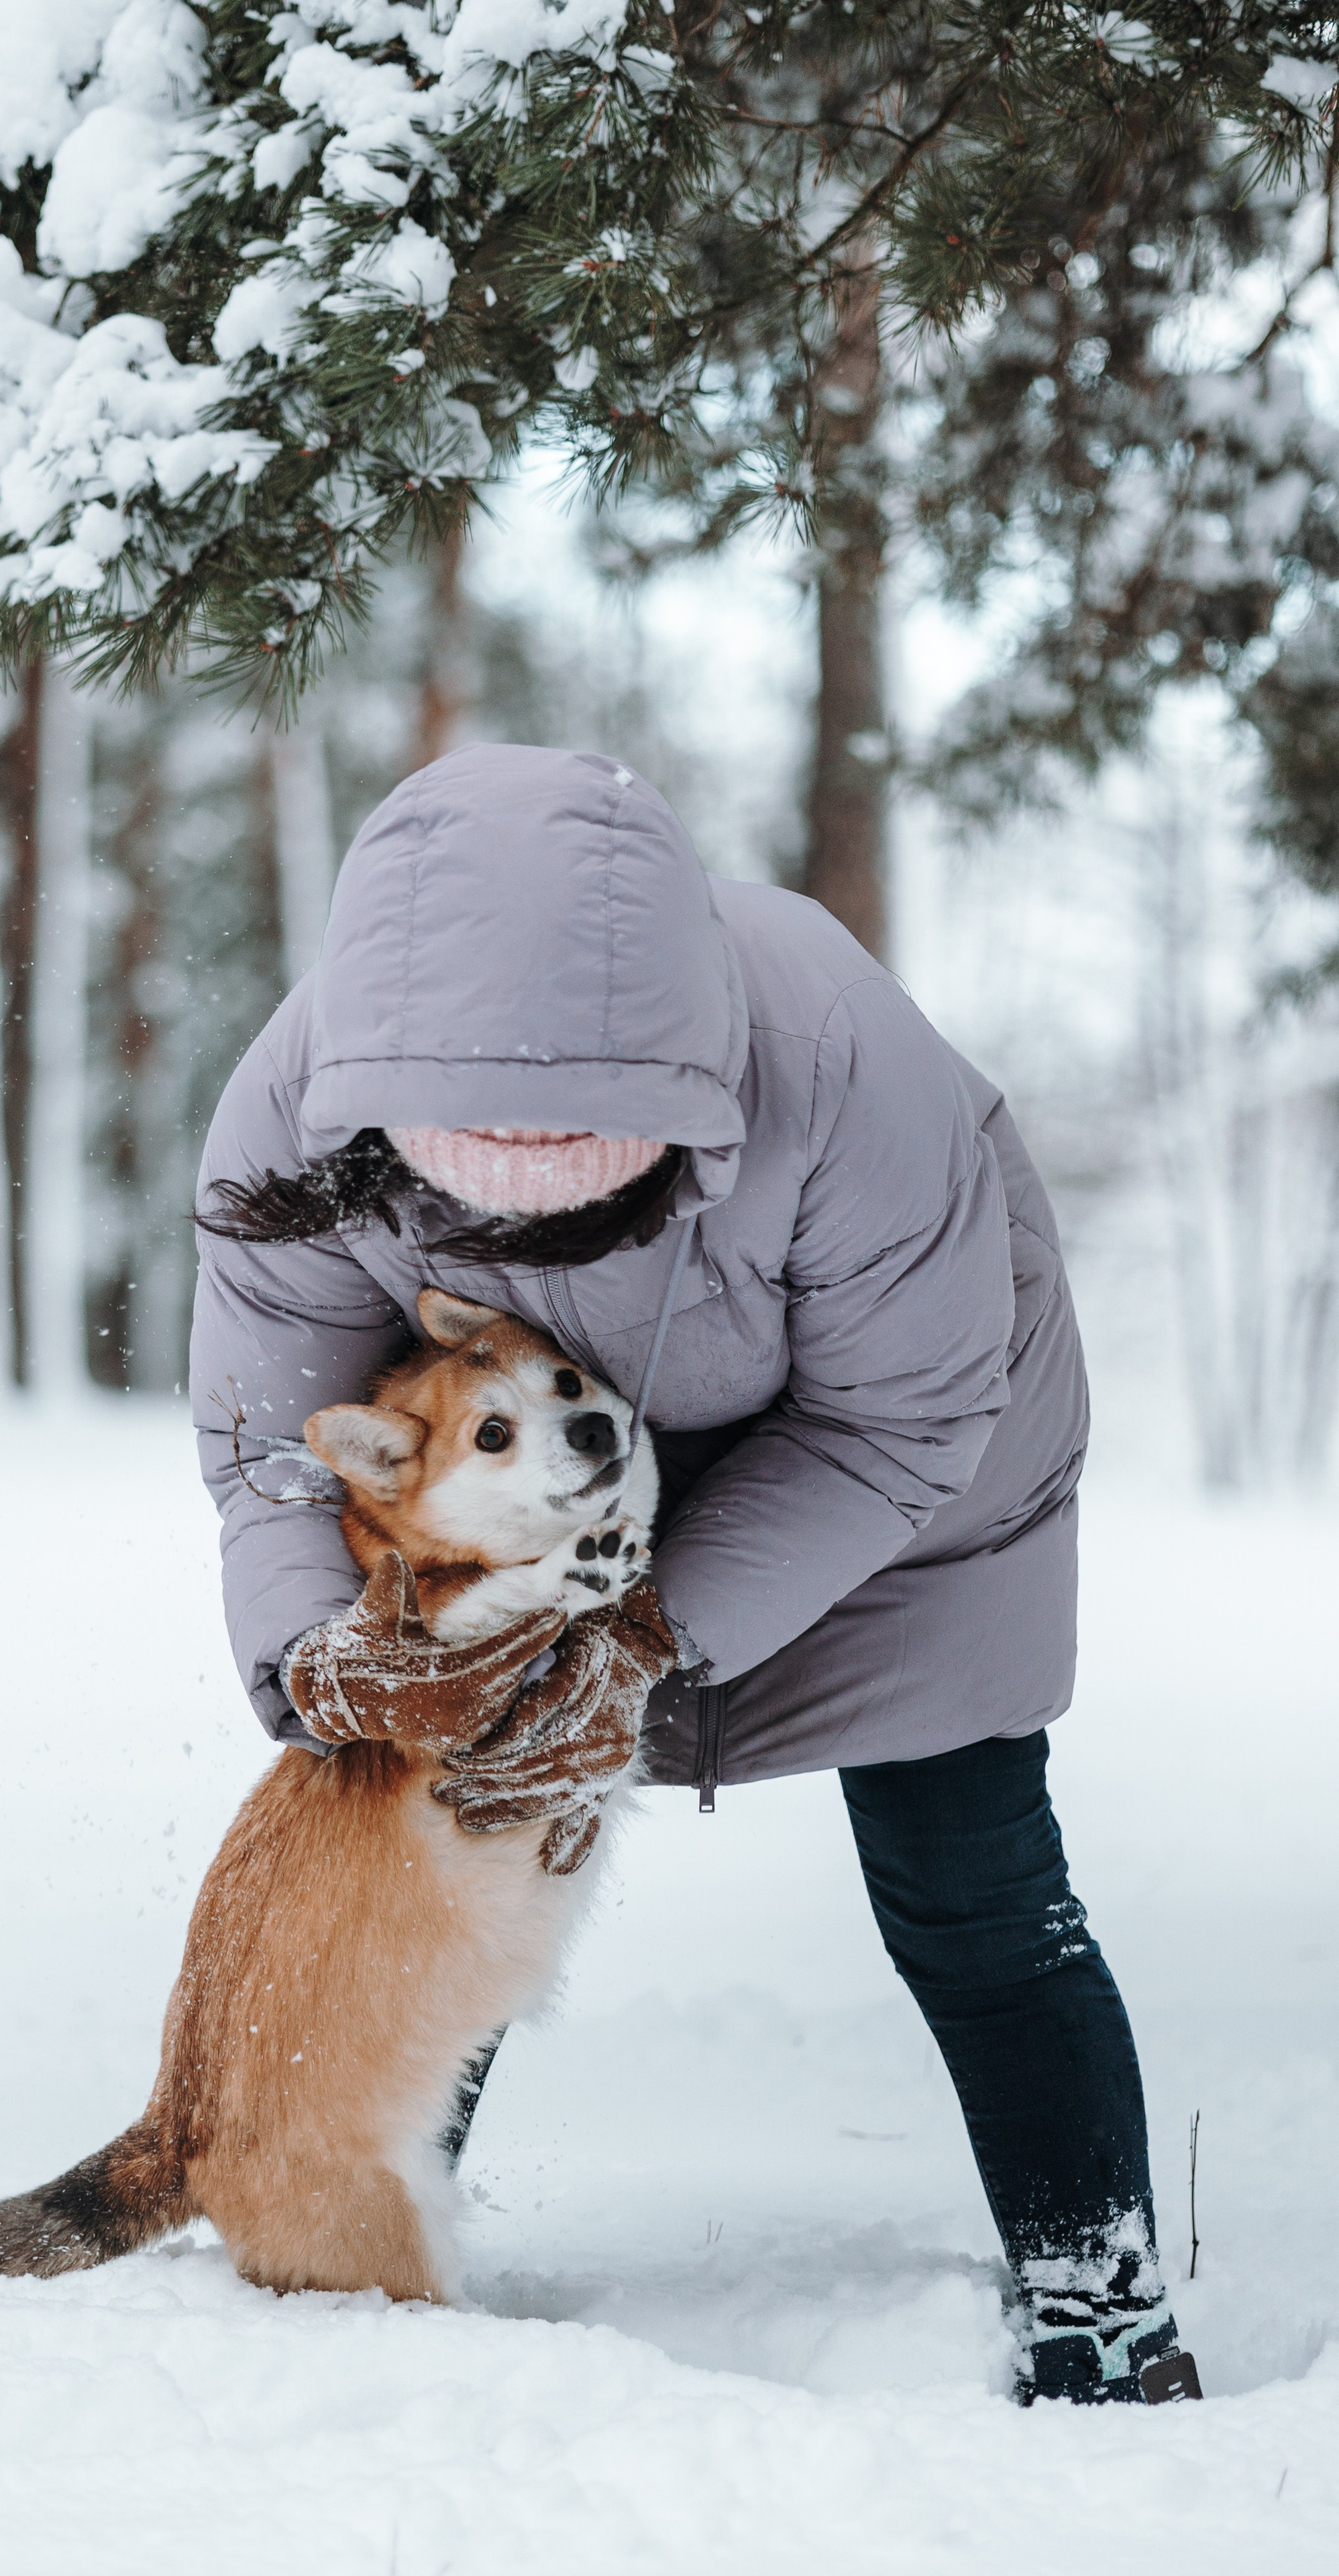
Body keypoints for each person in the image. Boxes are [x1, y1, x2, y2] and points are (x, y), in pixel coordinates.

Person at [189, 743, 1199, 2406]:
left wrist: (648, 1635)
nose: (524, 1227)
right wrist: (321, 1661)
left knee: (972, 1886)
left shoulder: (834, 1062)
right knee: (440, 1847)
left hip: (900, 1475)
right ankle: (352, 2299)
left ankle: (1097, 2310)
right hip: (526, 1499)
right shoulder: (301, 1105)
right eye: (469, 1189)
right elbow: (268, 1446)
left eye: (582, 1191)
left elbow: (899, 1422)